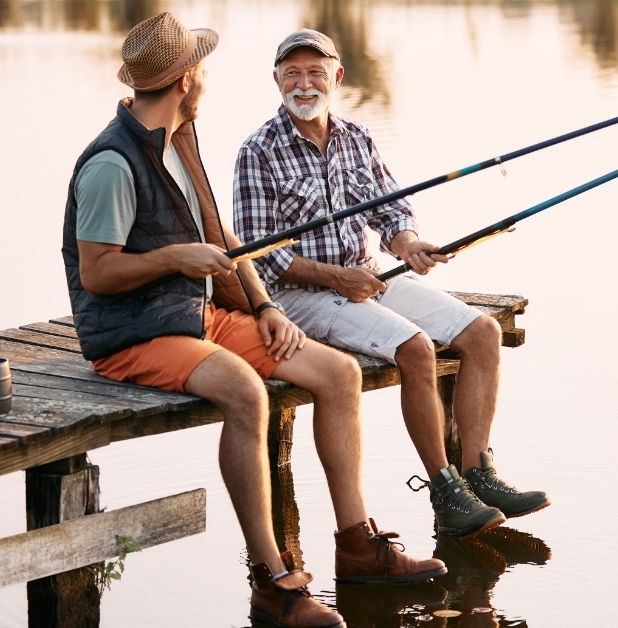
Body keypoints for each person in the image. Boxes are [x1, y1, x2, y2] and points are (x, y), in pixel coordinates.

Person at [60, 14, 442, 628]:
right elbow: (98, 272)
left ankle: (358, 547)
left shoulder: (179, 137)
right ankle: (274, 582)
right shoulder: (111, 162)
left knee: (338, 374)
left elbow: (223, 239)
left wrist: (264, 306)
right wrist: (177, 258)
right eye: (202, 67)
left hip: (194, 315)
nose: (208, 77)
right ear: (186, 79)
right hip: (131, 335)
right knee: (245, 392)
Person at [233, 29, 550, 540]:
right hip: (299, 297)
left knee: (483, 334)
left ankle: (477, 473)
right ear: (276, 80)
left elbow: (392, 208)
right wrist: (339, 278)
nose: (304, 83)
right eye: (292, 73)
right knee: (417, 348)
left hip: (369, 276)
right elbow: (258, 257)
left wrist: (407, 246)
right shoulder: (257, 152)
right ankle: (444, 491)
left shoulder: (356, 137)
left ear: (336, 77)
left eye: (316, 72)